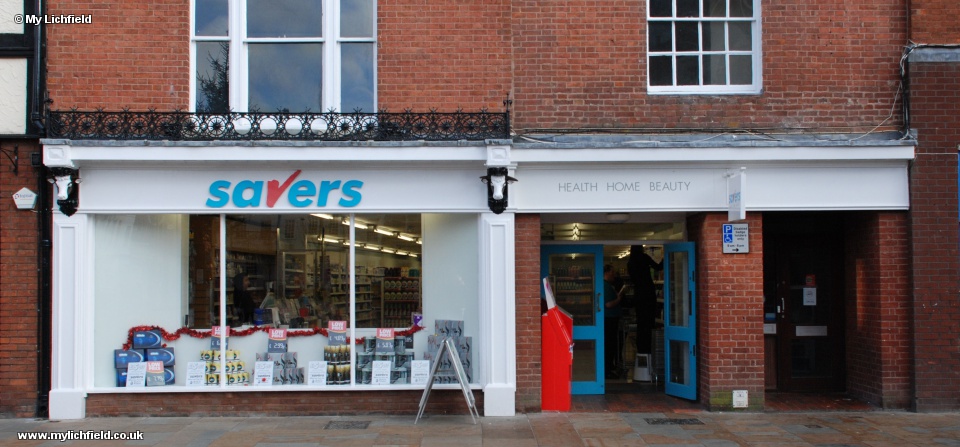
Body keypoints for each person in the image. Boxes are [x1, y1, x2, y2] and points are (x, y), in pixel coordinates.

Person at [627, 245, 663, 355]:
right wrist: (665, 257)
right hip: (648, 292)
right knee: (649, 321)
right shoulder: (644, 257)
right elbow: (658, 267)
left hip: (638, 294)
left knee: (641, 322)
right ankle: (649, 347)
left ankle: (641, 348)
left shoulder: (630, 262)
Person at [603, 264, 623, 379]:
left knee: (610, 344)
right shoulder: (606, 286)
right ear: (607, 273)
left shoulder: (608, 286)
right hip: (609, 320)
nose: (614, 275)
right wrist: (618, 299)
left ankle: (609, 367)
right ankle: (607, 369)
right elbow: (608, 304)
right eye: (612, 272)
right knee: (609, 344)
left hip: (610, 319)